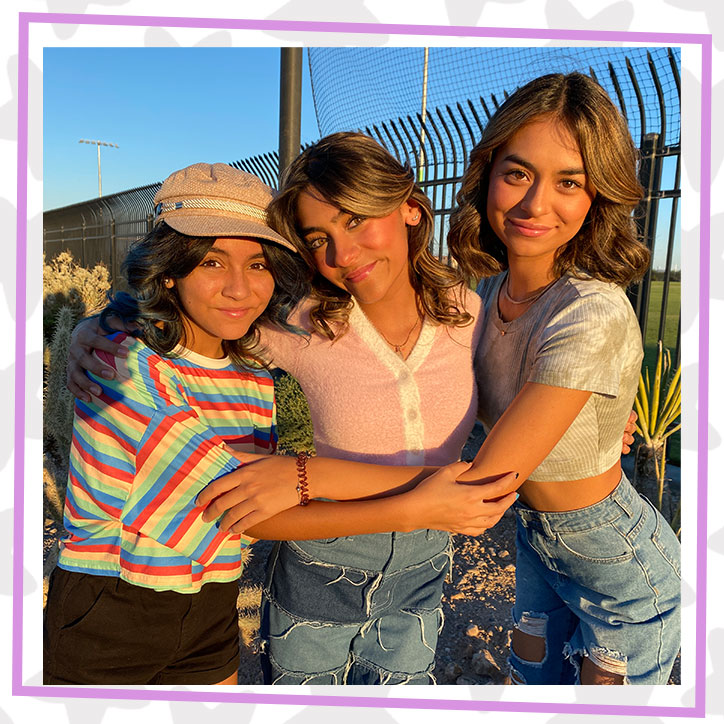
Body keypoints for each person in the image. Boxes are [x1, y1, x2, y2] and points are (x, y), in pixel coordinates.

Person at [60, 147, 520, 686]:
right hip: (286, 563)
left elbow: (501, 391)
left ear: (411, 209)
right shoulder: (293, 328)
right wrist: (104, 322)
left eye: (354, 218)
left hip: (396, 572)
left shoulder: (466, 311)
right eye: (318, 238)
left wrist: (591, 424)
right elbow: (192, 336)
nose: (342, 253)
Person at [445, 72, 681, 685]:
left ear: (597, 197)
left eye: (568, 183)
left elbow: (489, 477)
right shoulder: (484, 293)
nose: (534, 205)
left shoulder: (590, 309)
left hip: (616, 561)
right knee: (532, 680)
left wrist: (311, 482)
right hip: (536, 536)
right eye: (518, 173)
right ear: (488, 172)